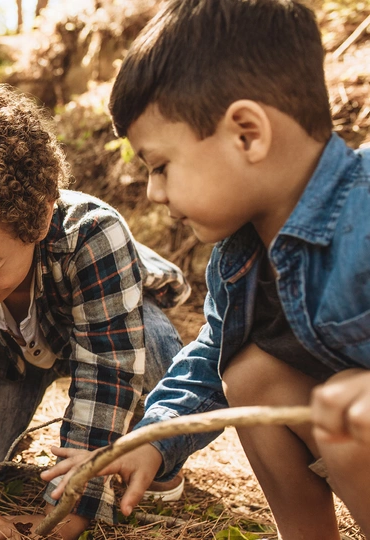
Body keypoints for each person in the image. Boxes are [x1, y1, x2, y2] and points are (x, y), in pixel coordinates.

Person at [43, 0, 370, 537]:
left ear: (247, 133)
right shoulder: (238, 261)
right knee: (248, 374)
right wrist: (150, 441)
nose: (153, 192)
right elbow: (207, 363)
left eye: (161, 166)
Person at [0, 79, 192, 540]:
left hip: (100, 331)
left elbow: (107, 371)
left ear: (40, 217)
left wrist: (66, 513)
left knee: (157, 347)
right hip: (11, 360)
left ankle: (157, 458)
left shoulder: (93, 236)